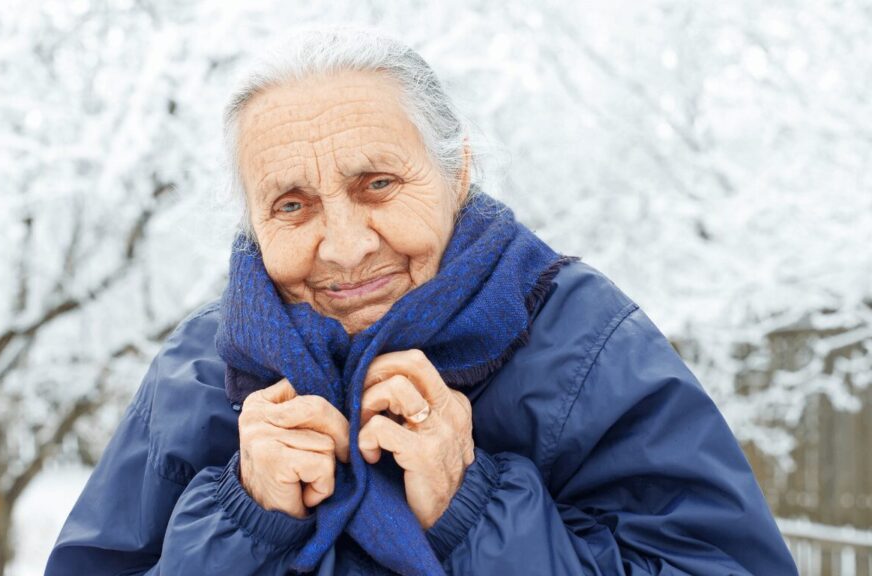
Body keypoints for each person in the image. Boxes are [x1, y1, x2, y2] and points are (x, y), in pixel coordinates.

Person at [45, 28, 798, 575]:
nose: (343, 245)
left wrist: (475, 511)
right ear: (252, 223)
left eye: (377, 184)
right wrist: (243, 522)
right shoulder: (198, 374)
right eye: (292, 206)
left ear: (457, 171)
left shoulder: (584, 345)